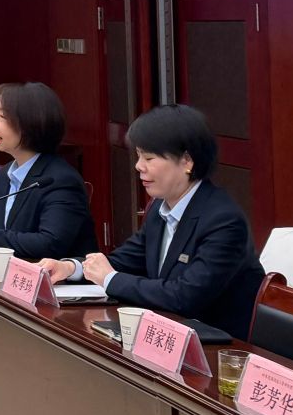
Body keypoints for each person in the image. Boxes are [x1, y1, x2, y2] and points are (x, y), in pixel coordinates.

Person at [45, 104, 262, 339]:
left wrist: (110, 279)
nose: (138, 166)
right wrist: (71, 268)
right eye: (138, 156)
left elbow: (184, 297)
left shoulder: (224, 221)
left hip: (217, 346)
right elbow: (126, 260)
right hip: (167, 333)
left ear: (187, 162)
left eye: (149, 157)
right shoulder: (160, 206)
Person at [0, 82, 96, 259]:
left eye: (3, 116)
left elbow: (49, 243)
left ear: (31, 124)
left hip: (53, 275)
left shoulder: (61, 180)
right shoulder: (7, 173)